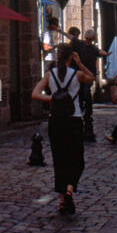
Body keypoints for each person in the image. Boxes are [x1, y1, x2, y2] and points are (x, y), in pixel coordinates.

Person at [32, 42, 95, 215]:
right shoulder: (77, 74)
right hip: (73, 120)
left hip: (56, 121)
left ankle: (62, 201)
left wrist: (52, 98)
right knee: (77, 159)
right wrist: (80, 63)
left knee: (59, 160)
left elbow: (35, 94)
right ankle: (69, 190)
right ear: (70, 57)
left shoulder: (49, 74)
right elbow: (92, 78)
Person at [68, 26, 107, 143]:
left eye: (91, 39)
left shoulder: (93, 48)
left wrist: (105, 53)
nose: (89, 41)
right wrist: (58, 30)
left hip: (89, 75)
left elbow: (100, 52)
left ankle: (87, 112)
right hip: (81, 73)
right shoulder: (80, 44)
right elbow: (70, 37)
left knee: (86, 92)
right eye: (88, 39)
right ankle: (82, 111)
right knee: (81, 93)